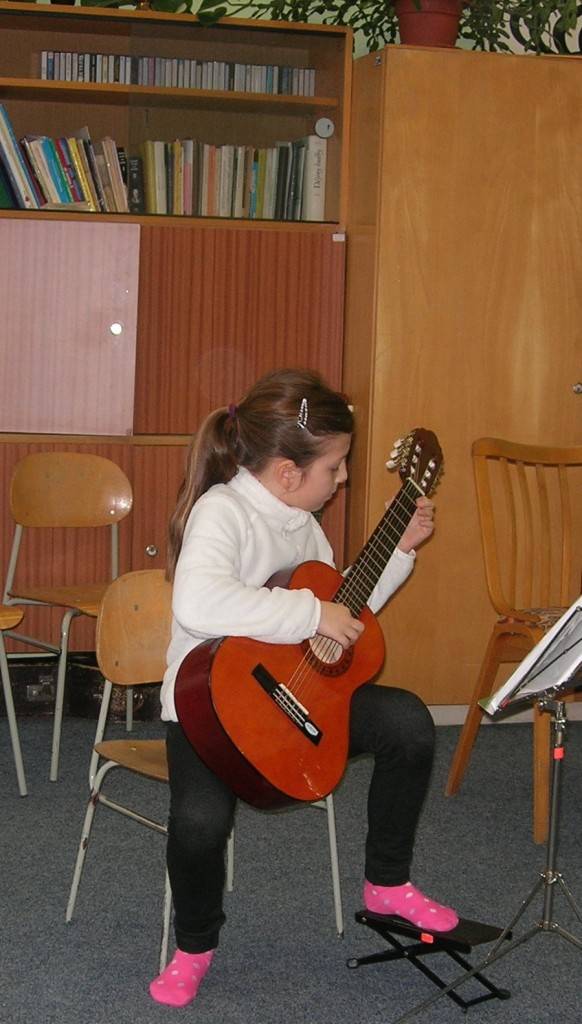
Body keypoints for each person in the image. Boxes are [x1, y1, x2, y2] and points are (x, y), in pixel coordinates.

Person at [150, 368, 458, 1009]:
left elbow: (344, 608)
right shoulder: (224, 510)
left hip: (296, 696)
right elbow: (200, 601)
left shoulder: (303, 522)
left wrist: (398, 551)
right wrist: (312, 613)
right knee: (200, 822)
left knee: (407, 722)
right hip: (211, 708)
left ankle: (386, 883)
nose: (342, 479)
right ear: (288, 473)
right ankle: (194, 946)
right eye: (335, 467)